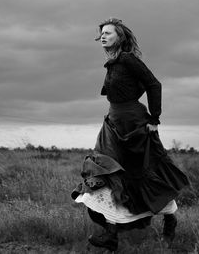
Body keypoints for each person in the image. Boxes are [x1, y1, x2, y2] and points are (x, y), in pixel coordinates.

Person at [71, 18, 189, 252]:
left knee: (141, 173)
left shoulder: (127, 59)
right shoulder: (113, 62)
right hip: (113, 123)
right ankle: (111, 233)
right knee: (106, 171)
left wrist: (154, 118)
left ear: (120, 37)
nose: (103, 37)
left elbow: (154, 84)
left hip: (133, 125)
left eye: (108, 33)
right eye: (101, 34)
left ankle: (169, 220)